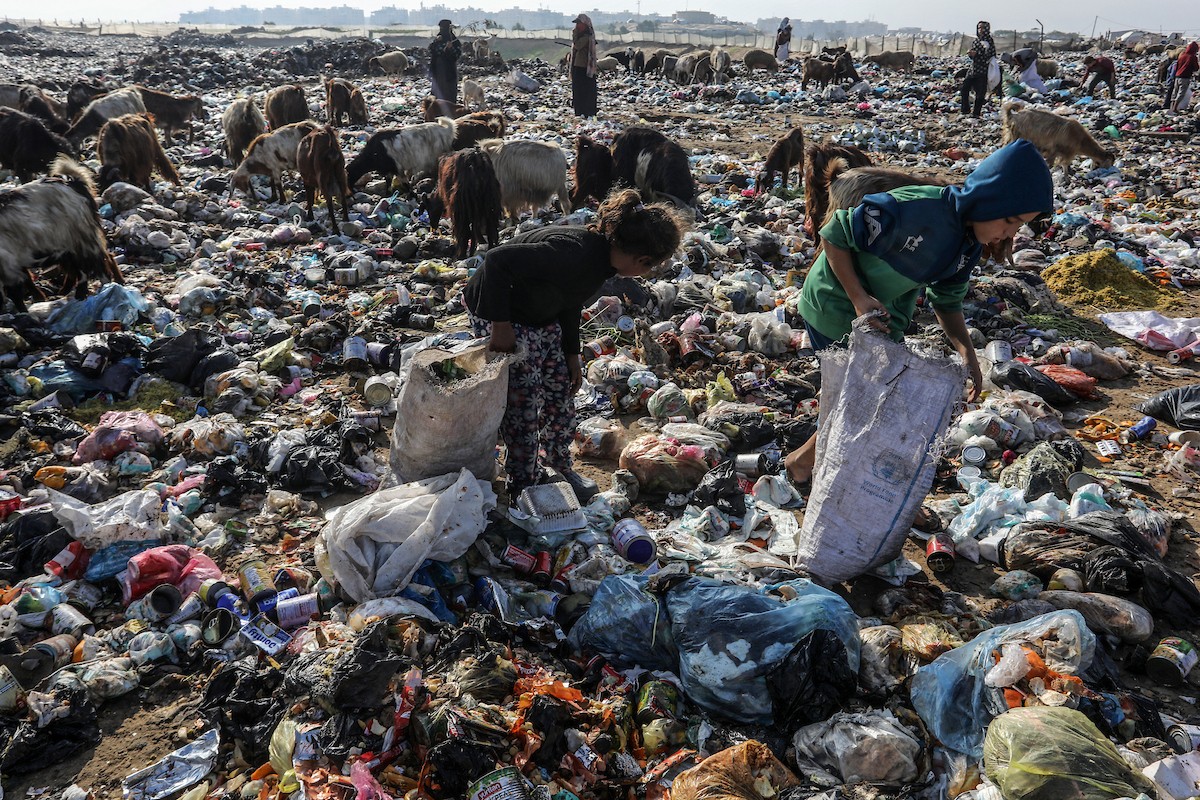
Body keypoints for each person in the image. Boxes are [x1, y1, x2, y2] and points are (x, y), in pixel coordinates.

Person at [784, 139, 1054, 484]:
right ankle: (805, 465)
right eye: (1010, 221)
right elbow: (835, 233)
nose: (1008, 234)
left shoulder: (968, 246)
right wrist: (858, 298)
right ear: (987, 199)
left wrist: (967, 354)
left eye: (1018, 227)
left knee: (869, 397)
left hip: (882, 320)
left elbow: (947, 301)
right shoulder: (917, 208)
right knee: (863, 399)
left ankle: (817, 463)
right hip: (834, 302)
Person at [464, 189, 688, 500]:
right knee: (524, 402)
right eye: (651, 267)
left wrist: (571, 353)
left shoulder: (603, 264)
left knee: (561, 391)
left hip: (541, 311)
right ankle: (524, 481)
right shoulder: (573, 252)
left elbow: (570, 300)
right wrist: (500, 327)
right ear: (642, 260)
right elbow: (496, 261)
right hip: (500, 310)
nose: (647, 273)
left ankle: (558, 464)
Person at [961, 20, 996, 117]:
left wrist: (978, 54)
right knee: (964, 88)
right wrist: (970, 54)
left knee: (980, 93)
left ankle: (976, 113)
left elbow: (991, 55)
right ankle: (965, 110)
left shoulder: (989, 41)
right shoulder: (976, 40)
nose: (980, 30)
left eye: (983, 28)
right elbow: (973, 54)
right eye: (979, 27)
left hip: (983, 70)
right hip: (973, 69)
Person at [570, 14, 598, 117]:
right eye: (576, 24)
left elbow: (577, 45)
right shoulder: (583, 36)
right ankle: (580, 111)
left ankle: (586, 111)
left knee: (584, 90)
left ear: (585, 25)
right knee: (578, 90)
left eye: (579, 23)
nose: (577, 26)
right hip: (578, 66)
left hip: (584, 68)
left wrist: (574, 33)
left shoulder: (587, 37)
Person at [429, 19, 462, 106]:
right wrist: (436, 42)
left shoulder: (454, 41)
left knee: (449, 92)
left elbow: (457, 54)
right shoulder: (438, 39)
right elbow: (431, 50)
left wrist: (450, 48)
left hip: (449, 71)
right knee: (438, 91)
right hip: (438, 70)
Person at [1170, 42, 1199, 111]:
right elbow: (1196, 68)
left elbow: (1177, 65)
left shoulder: (1182, 55)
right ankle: (1174, 108)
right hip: (1185, 77)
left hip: (1177, 76)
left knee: (1175, 92)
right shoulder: (1192, 57)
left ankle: (1171, 107)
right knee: (1181, 93)